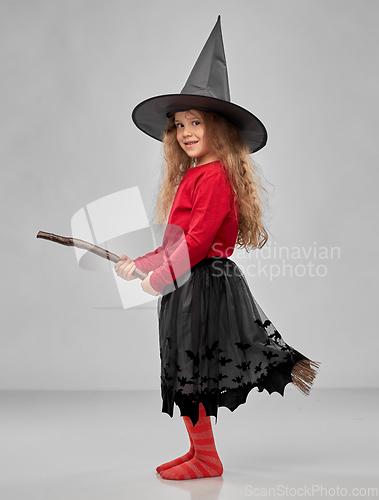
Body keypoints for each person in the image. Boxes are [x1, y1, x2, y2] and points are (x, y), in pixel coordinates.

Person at [114, 17, 319, 481]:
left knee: (193, 369)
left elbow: (198, 242)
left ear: (220, 130)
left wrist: (160, 277)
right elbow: (174, 241)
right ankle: (200, 451)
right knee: (184, 368)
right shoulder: (191, 175)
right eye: (180, 124)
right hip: (185, 283)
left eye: (196, 122)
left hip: (202, 283)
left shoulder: (217, 178)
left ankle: (206, 458)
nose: (185, 131)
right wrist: (138, 265)